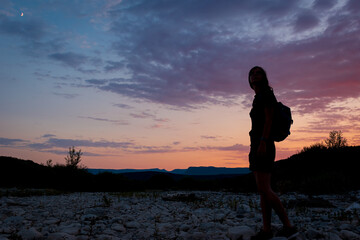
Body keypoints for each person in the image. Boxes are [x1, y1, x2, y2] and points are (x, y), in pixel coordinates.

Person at [248, 66, 298, 240]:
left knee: (264, 189)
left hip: (263, 144)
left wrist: (263, 142)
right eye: (252, 73)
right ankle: (267, 229)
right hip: (256, 143)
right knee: (263, 191)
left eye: (258, 72)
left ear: (264, 77)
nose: (255, 75)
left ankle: (288, 226)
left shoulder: (267, 95)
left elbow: (269, 120)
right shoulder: (257, 97)